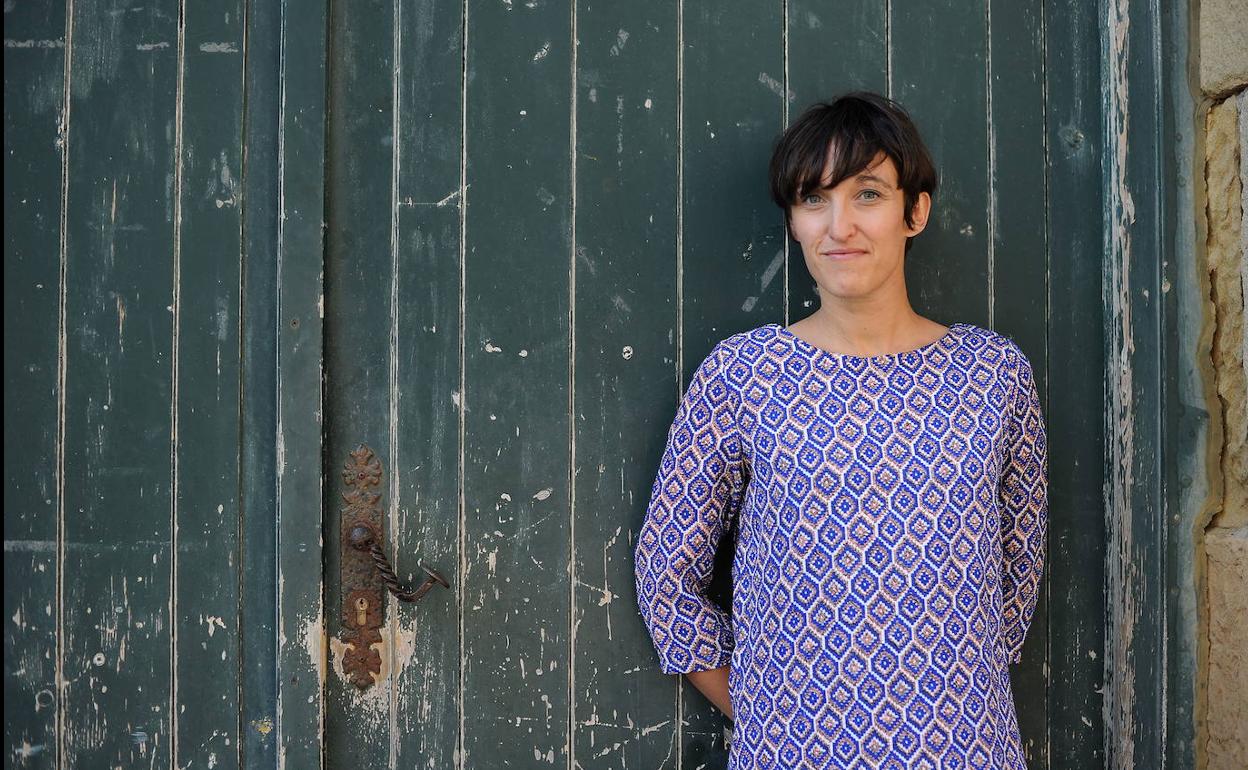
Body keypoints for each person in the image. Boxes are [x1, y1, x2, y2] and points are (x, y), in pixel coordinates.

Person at [632, 91, 1048, 769]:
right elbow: (665, 573)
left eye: (868, 194)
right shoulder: (743, 375)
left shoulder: (993, 374)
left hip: (967, 749)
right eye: (813, 199)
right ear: (793, 222)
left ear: (916, 211)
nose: (839, 226)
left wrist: (949, 701)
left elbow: (1018, 567)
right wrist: (771, 716)